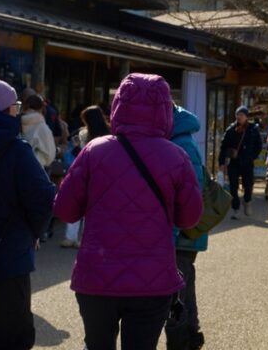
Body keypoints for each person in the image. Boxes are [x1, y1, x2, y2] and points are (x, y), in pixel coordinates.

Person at [54, 73, 203, 350]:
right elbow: (190, 218)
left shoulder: (93, 151)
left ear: (118, 105)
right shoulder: (176, 156)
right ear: (164, 109)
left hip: (97, 276)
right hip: (153, 279)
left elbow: (65, 211)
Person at [0, 78, 55, 350]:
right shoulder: (16, 150)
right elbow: (43, 198)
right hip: (8, 259)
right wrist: (33, 232)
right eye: (15, 106)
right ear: (4, 109)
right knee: (10, 339)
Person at [166, 105, 209, 350]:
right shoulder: (180, 138)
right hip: (183, 230)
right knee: (184, 287)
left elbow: (191, 194)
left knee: (177, 292)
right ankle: (191, 336)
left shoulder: (181, 143)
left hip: (182, 231)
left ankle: (181, 341)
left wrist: (173, 229)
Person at [59, 105, 111, 249]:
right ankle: (84, 239)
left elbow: (77, 154)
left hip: (82, 173)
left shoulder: (82, 134)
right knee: (92, 208)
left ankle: (70, 237)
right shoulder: (110, 133)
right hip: (102, 174)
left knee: (77, 203)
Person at [218, 106, 262, 219]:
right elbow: (223, 147)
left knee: (248, 185)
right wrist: (221, 163)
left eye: (241, 115)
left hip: (247, 162)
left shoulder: (253, 129)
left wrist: (252, 156)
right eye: (237, 114)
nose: (239, 117)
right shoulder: (231, 129)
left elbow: (258, 146)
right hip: (234, 162)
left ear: (246, 117)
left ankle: (247, 200)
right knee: (233, 186)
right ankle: (236, 209)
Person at [21, 93, 56, 169]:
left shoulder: (16, 121)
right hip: (33, 169)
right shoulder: (42, 127)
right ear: (41, 108)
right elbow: (50, 154)